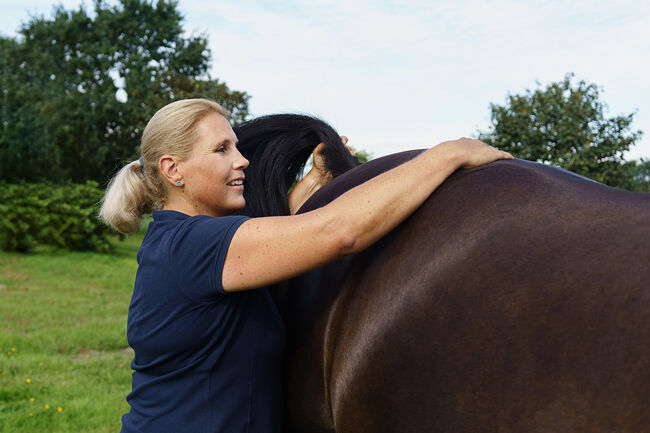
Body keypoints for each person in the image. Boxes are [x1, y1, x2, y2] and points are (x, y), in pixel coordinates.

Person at [99, 98, 513, 433]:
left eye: (237, 146)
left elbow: (277, 237)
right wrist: (447, 154)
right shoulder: (194, 247)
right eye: (222, 149)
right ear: (174, 170)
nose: (242, 160)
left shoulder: (183, 241)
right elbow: (339, 231)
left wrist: (315, 180)